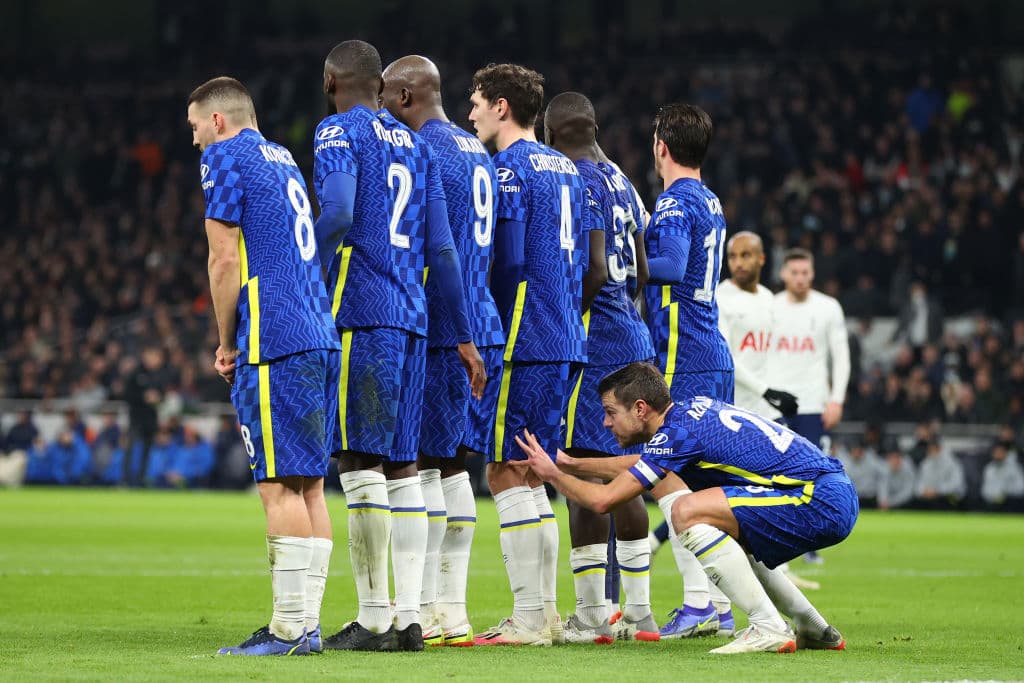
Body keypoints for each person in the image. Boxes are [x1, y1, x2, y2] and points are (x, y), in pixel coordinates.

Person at [313, 41, 483, 653]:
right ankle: (412, 617)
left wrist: (312, 274)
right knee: (406, 466)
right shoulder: (416, 144)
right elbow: (442, 250)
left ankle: (374, 616)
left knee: (359, 463)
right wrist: (461, 335)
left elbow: (334, 212)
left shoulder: (337, 131)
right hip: (416, 321)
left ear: (332, 80)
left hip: (363, 313)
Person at [514, 362, 853, 654]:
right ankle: (812, 627)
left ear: (641, 409)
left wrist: (553, 474)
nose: (605, 423)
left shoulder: (677, 435)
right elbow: (643, 463)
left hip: (816, 498)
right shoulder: (691, 412)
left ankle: (768, 626)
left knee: (686, 510)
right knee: (734, 529)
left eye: (610, 413)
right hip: (830, 491)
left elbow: (604, 501)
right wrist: (572, 463)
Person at [187, 76, 342, 656]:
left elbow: (223, 257)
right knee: (309, 488)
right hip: (317, 331)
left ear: (219, 122)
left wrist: (227, 341)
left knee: (277, 486)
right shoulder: (282, 157)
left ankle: (287, 630)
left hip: (274, 336)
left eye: (196, 127)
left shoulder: (225, 158)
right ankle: (308, 626)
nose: (196, 140)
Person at [380, 54, 505, 647]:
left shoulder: (422, 148)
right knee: (454, 464)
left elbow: (442, 250)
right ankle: (449, 609)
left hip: (442, 325)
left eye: (385, 98)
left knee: (425, 463)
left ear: (405, 96)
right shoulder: (476, 149)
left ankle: (432, 609)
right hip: (480, 317)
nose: (380, 109)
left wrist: (453, 332)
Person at [467, 63, 591, 646]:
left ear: (500, 107)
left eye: (477, 103)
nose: (470, 114)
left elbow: (509, 261)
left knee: (506, 469)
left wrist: (480, 318)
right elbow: (587, 262)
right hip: (567, 335)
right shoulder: (568, 168)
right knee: (537, 473)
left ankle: (528, 618)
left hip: (524, 337)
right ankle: (545, 614)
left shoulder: (508, 170)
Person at [543, 91, 659, 644]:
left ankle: (592, 617)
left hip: (596, 342)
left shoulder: (579, 178)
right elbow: (639, 266)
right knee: (628, 475)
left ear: (552, 133)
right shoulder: (621, 179)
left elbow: (591, 269)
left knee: (585, 469)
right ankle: (639, 615)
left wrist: (568, 314)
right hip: (633, 332)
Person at [643, 103, 735, 639]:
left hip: (685, 354)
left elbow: (672, 267)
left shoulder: (675, 201)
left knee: (672, 479)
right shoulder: (712, 200)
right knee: (704, 482)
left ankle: (700, 602)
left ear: (661, 147)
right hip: (711, 350)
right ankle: (718, 605)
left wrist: (619, 259)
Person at [767, 247, 850, 563]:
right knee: (772, 473)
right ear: (784, 274)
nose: (800, 278)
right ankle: (777, 539)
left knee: (813, 474)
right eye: (794, 272)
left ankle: (811, 543)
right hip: (775, 403)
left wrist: (836, 399)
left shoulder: (829, 308)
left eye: (805, 273)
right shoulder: (769, 306)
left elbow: (840, 356)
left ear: (812, 274)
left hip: (814, 402)